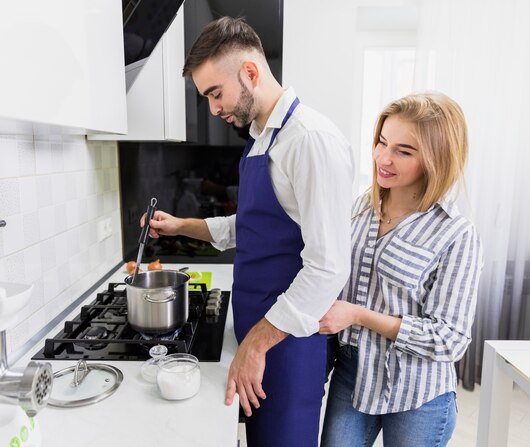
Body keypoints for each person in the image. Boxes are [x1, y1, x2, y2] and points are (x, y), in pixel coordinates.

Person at [141, 16, 353, 447]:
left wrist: (256, 344)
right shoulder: (261, 137)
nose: (214, 108)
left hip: (287, 344)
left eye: (215, 93)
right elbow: (255, 226)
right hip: (258, 331)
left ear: (251, 72)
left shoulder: (309, 140)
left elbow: (329, 267)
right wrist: (181, 225)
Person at [318, 92, 483, 446]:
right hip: (353, 374)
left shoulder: (456, 233)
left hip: (419, 393)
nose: (383, 158)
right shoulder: (362, 207)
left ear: (437, 160)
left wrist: (359, 315)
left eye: (403, 151)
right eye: (381, 142)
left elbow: (449, 340)